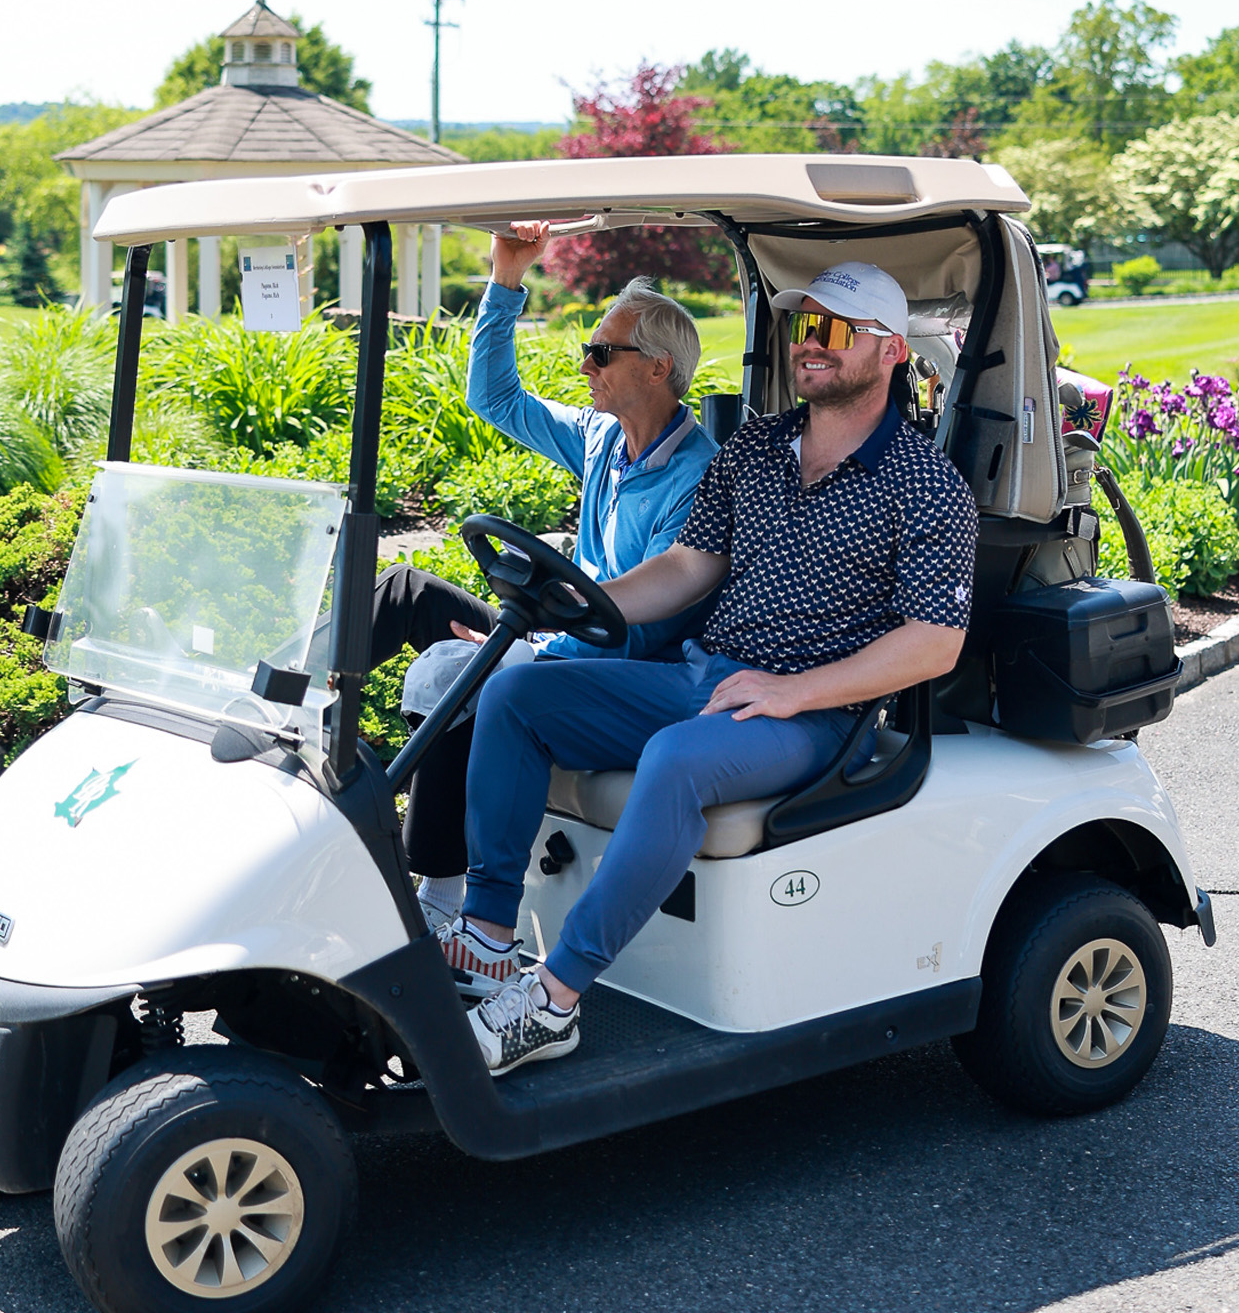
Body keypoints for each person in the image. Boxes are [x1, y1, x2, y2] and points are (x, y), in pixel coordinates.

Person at [433, 260, 976, 1074]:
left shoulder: (926, 484)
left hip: (817, 713)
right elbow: (689, 565)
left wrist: (796, 690)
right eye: (803, 327)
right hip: (710, 676)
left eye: (832, 330)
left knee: (678, 757)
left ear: (892, 351)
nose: (809, 346)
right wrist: (575, 599)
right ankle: (487, 937)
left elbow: (935, 641)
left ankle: (553, 1000)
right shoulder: (756, 447)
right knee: (516, 692)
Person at [397, 227, 718, 935]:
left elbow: (652, 620)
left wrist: (531, 631)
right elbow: (497, 399)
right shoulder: (602, 439)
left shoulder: (697, 476)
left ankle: (451, 901)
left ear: (659, 368)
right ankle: (295, 738)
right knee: (404, 591)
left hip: (621, 667)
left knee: (479, 673)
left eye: (601, 353)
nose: (584, 366)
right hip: (563, 634)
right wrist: (506, 278)